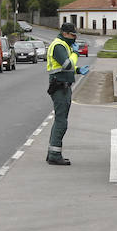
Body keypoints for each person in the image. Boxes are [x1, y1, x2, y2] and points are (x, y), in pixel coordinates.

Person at [45, 22, 88, 165]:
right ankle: (55, 155)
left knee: (59, 120)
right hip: (59, 87)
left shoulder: (64, 45)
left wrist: (78, 70)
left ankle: (52, 152)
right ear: (65, 33)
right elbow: (66, 64)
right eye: (72, 35)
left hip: (63, 85)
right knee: (61, 121)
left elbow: (67, 68)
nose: (74, 38)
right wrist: (76, 54)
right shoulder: (59, 45)